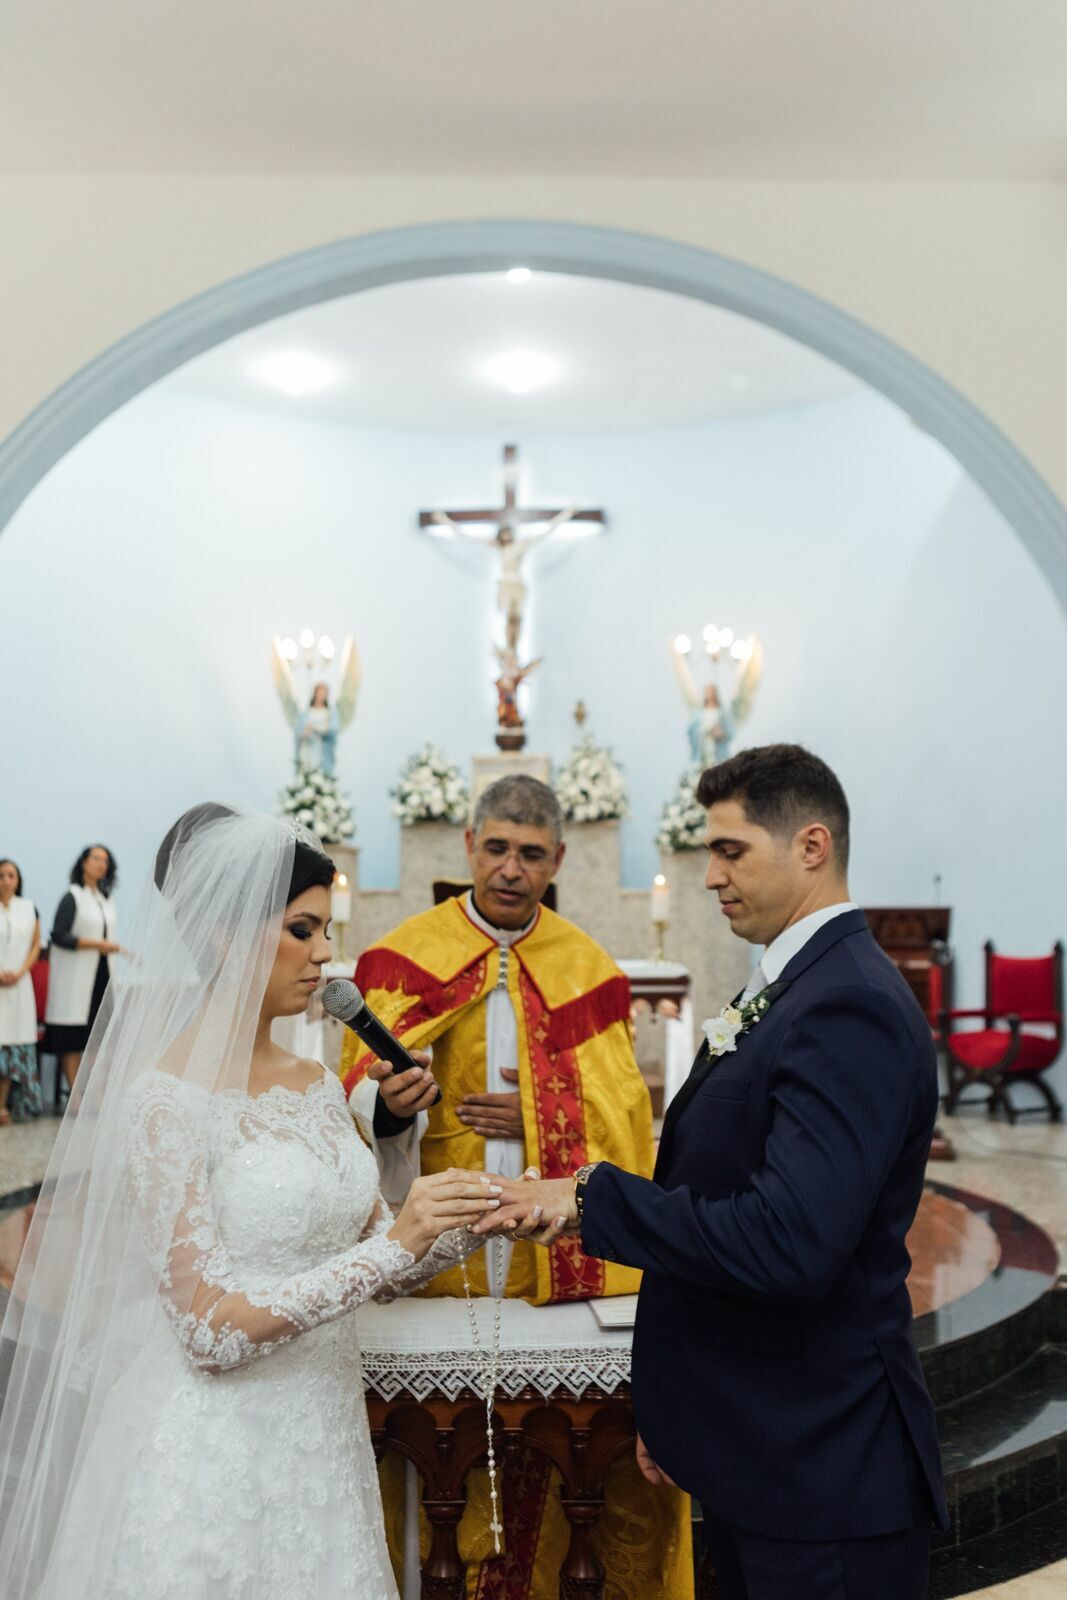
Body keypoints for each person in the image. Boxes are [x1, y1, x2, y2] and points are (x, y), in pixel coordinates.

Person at [478, 746, 947, 1600]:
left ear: (810, 846)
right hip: (761, 1444)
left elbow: (787, 1242)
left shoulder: (846, 1004)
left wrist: (590, 1196)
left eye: (730, 851)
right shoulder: (793, 985)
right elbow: (726, 1191)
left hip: (821, 1474)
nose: (708, 876)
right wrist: (681, 1406)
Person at [0, 804, 498, 1600]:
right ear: (229, 935)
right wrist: (395, 1244)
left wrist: (472, 1215)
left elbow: (381, 1255)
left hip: (321, 1444)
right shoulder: (164, 1099)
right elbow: (205, 1328)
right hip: (212, 1451)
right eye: (303, 930)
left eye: (326, 932)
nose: (326, 955)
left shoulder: (311, 1085)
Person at [341, 774, 692, 1600]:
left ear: (557, 860)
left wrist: (540, 1117)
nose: (509, 867)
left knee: (557, 1446)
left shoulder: (588, 969)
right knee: (437, 1456)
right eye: (495, 847)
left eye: (530, 854)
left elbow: (621, 1117)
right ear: (468, 846)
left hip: (547, 1264)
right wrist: (390, 1108)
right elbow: (354, 1088)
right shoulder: (405, 956)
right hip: (443, 1263)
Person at [43, 843, 121, 1090]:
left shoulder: (105, 900)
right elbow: (59, 935)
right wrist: (96, 943)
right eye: (96, 858)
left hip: (102, 974)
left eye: (105, 860)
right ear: (84, 863)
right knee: (73, 1037)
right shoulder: (73, 896)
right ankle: (74, 1097)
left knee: (98, 1037)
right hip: (75, 978)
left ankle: (94, 1094)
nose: (101, 864)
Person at [0, 859, 43, 1124]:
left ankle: (3, 1103)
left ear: (18, 879)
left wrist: (20, 971)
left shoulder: (28, 909)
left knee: (13, 1044)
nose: (6, 880)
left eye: (11, 875)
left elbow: (36, 945)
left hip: (19, 984)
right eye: (1, 875)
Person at [295, 680, 340, 774]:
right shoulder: (306, 713)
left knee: (323, 774)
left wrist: (317, 729)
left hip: (323, 751)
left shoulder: (330, 713)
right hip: (308, 749)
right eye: (319, 693)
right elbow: (299, 732)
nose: (321, 696)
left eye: (324, 694)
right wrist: (305, 732)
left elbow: (333, 731)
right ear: (315, 694)